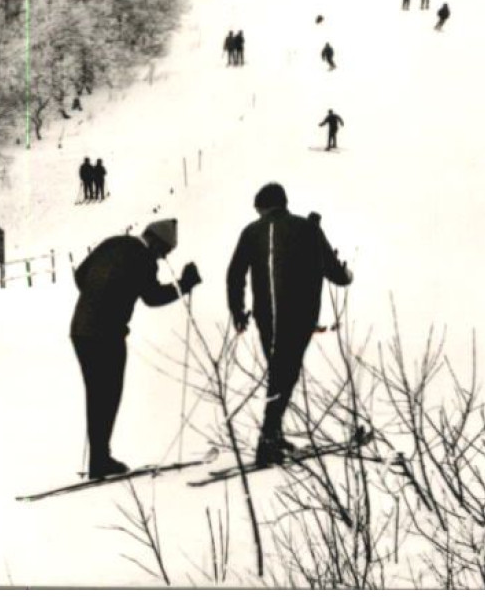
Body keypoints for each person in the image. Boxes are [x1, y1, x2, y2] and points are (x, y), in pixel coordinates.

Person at [227, 183, 351, 466]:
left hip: (266, 314)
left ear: (264, 205)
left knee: (279, 370)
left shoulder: (251, 232)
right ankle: (268, 439)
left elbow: (235, 273)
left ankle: (273, 434)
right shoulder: (307, 228)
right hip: (300, 314)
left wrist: (238, 309)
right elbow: (331, 268)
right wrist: (347, 276)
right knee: (285, 371)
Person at [70, 218, 200, 479]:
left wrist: (98, 295)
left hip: (80, 330)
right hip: (107, 334)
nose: (163, 258)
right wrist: (184, 285)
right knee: (108, 394)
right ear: (154, 241)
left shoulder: (112, 242)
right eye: (164, 252)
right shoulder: (143, 258)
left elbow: (80, 275)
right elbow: (153, 298)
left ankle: (99, 458)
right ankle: (100, 460)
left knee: (96, 393)